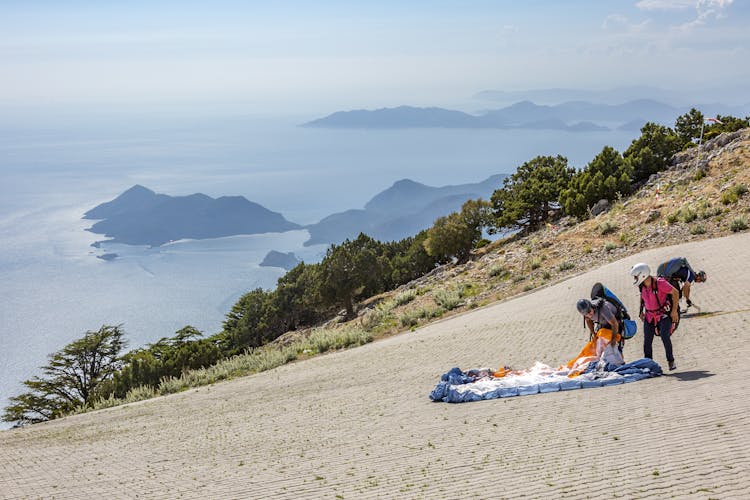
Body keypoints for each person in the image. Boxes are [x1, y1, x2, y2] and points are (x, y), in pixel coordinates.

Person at [630, 263, 680, 370]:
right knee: (647, 341)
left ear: (642, 274)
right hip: (649, 316)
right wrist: (640, 311)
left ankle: (671, 361)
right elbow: (642, 297)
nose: (635, 279)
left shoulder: (660, 283)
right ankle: (649, 365)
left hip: (663, 314)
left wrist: (674, 311)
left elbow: (675, 293)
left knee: (664, 335)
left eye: (636, 276)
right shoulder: (642, 285)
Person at [575, 298, 624, 366]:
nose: (589, 314)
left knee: (615, 346)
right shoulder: (586, 312)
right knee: (601, 346)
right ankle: (607, 363)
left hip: (615, 324)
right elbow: (588, 320)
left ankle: (621, 363)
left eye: (589, 311)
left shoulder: (603, 309)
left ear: (592, 306)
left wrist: (613, 339)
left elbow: (615, 324)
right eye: (586, 314)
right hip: (603, 324)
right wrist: (593, 333)